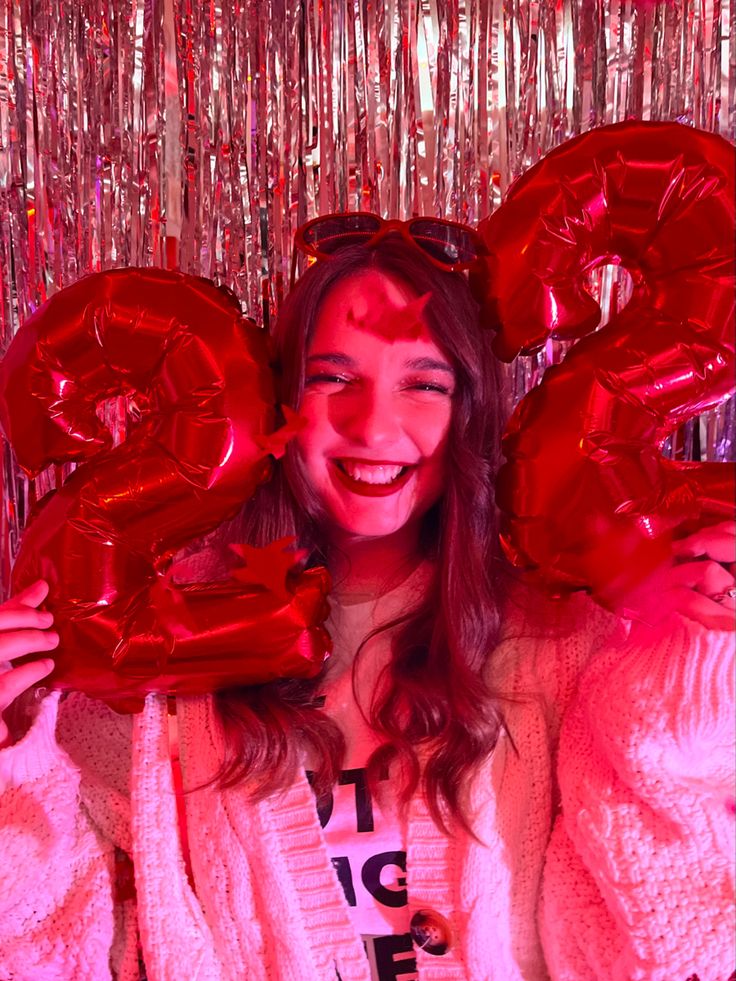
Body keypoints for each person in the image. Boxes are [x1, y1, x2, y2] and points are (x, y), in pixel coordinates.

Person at [0, 218, 734, 981]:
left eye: (423, 383)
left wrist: (692, 678)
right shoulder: (163, 648)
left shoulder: (560, 644)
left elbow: (662, 938)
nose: (373, 424)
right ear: (277, 405)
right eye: (333, 378)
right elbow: (57, 939)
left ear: (469, 414)